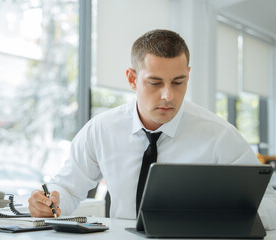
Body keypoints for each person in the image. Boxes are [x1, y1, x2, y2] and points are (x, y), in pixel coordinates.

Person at [28, 29, 276, 230]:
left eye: (178, 82)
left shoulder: (220, 136)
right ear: (132, 78)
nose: (168, 95)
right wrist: (51, 203)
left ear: (188, 75)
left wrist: (217, 210)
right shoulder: (101, 130)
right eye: (155, 83)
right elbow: (68, 189)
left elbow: (271, 205)